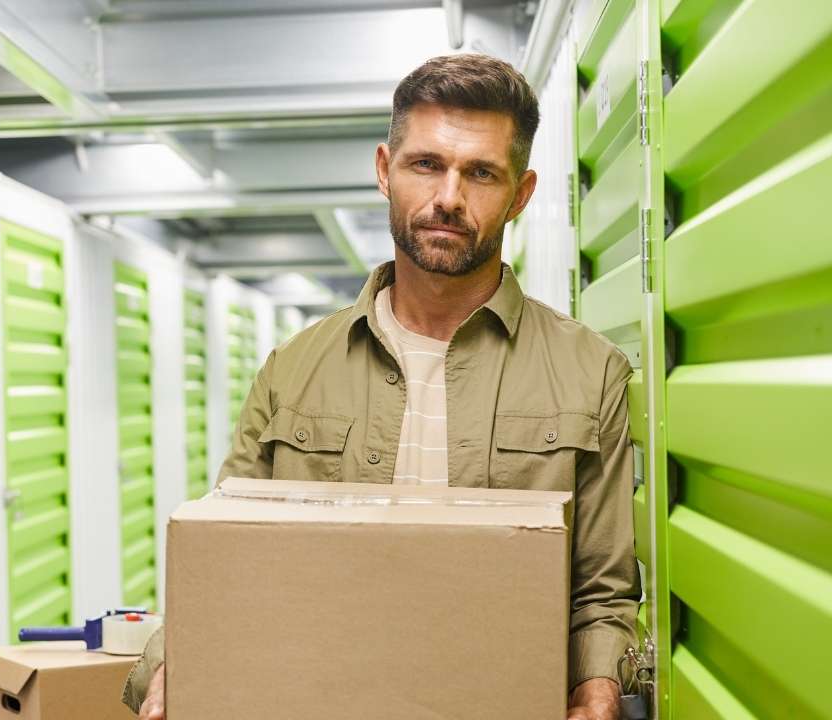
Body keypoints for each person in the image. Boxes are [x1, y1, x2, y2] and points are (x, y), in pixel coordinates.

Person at [124, 53, 640, 720]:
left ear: (521, 193)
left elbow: (602, 596)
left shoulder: (588, 371)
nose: (448, 198)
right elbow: (225, 564)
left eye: (480, 173)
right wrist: (173, 664)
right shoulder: (294, 368)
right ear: (383, 171)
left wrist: (596, 691)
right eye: (426, 164)